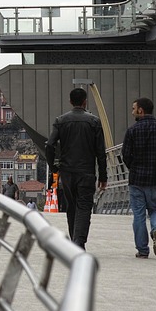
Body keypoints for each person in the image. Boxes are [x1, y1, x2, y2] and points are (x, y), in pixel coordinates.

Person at [44, 87, 107, 248]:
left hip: (67, 172)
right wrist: (103, 177)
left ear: (71, 101)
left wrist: (53, 167)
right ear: (85, 102)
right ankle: (79, 241)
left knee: (71, 207)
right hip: (87, 172)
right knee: (84, 207)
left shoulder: (61, 121)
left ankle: (74, 240)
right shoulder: (94, 122)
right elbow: (101, 152)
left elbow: (50, 145)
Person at [122, 96, 156, 258]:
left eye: (133, 108)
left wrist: (134, 167)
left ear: (140, 110)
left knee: (139, 215)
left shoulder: (132, 131)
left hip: (137, 179)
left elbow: (126, 155)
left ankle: (143, 250)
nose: (132, 111)